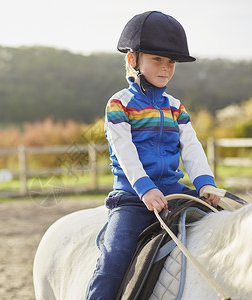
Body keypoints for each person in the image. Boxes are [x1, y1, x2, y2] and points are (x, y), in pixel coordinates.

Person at [85, 11, 220, 300]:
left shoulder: (175, 107)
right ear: (133, 60)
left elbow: (192, 146)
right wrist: (145, 188)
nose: (166, 68)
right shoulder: (119, 104)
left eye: (171, 62)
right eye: (157, 59)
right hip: (134, 199)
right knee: (113, 260)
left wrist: (205, 182)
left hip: (174, 191)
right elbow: (125, 152)